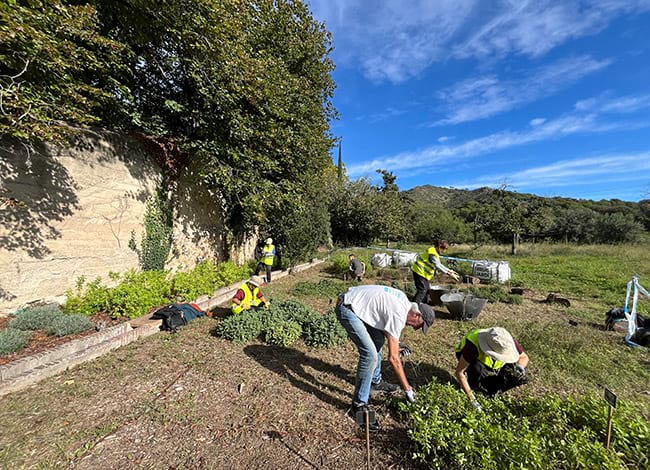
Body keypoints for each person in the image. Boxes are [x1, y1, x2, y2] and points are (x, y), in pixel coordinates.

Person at [335, 284, 435, 431]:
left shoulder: (404, 304)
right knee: (370, 355)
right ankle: (359, 405)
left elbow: (385, 323)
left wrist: (398, 343)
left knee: (378, 340)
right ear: (417, 315)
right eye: (419, 326)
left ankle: (375, 381)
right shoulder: (399, 315)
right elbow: (394, 359)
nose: (415, 329)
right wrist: (407, 390)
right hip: (347, 307)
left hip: (354, 301)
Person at [454, 327, 529, 410]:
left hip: (493, 364)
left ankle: (493, 388)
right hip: (473, 360)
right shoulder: (472, 345)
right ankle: (476, 388)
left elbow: (524, 357)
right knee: (478, 370)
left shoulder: (507, 342)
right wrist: (472, 399)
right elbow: (459, 373)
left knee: (515, 375)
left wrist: (520, 367)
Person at [411, 240, 461, 304]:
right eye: (443, 248)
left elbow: (438, 265)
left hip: (423, 274)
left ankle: (423, 305)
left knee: (427, 290)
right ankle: (413, 306)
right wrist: (449, 273)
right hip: (419, 272)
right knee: (422, 290)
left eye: (445, 249)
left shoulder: (435, 253)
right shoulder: (432, 253)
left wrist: (450, 271)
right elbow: (437, 265)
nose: (444, 251)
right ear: (438, 246)